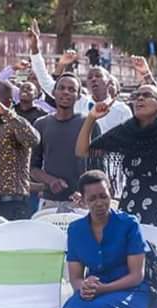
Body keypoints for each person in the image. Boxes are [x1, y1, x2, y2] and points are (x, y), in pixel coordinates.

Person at [46, 170, 148, 308]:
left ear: (111, 194)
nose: (100, 202)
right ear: (82, 201)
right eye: (92, 198)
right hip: (95, 288)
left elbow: (136, 275)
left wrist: (103, 289)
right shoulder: (76, 230)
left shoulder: (128, 224)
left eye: (104, 196)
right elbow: (74, 276)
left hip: (129, 289)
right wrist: (83, 287)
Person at [75, 84, 157, 235]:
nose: (139, 98)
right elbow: (82, 151)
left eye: (147, 95)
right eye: (136, 96)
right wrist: (91, 118)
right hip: (131, 204)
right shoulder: (126, 131)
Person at [31, 73, 101, 211]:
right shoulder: (41, 124)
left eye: (71, 89)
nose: (66, 92)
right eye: (61, 88)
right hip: (49, 202)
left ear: (78, 95)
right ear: (53, 92)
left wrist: (87, 193)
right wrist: (50, 181)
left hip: (81, 202)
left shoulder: (89, 124)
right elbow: (33, 168)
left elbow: (99, 168)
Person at [0, 82, 40, 220]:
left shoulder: (15, 126)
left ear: (7, 103)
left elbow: (33, 140)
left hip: (14, 206)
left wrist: (6, 113)